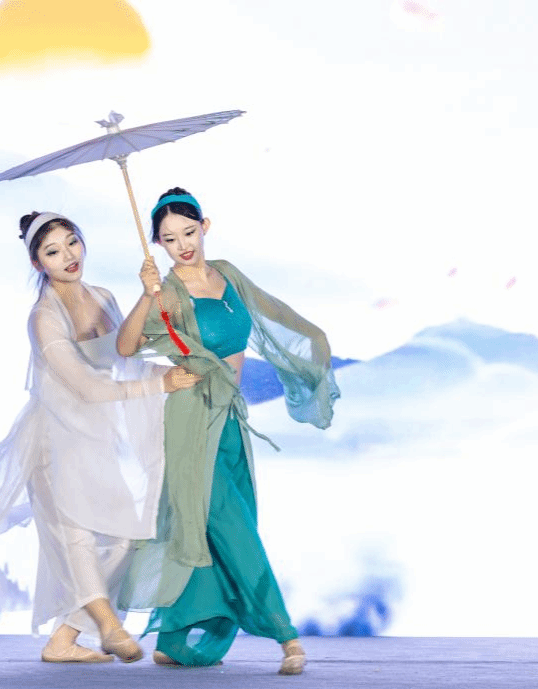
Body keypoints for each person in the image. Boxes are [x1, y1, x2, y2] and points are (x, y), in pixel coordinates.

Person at [0, 211, 201, 663]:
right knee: (75, 535)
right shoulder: (43, 318)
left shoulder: (103, 297)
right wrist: (159, 386)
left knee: (125, 538)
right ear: (38, 263)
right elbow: (86, 387)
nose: (68, 256)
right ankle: (109, 626)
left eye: (72, 242)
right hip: (54, 438)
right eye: (53, 252)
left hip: (99, 436)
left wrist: (168, 362)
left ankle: (64, 640)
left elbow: (125, 362)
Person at [116, 188, 340, 675]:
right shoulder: (167, 292)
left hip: (232, 417)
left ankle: (178, 639)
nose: (182, 245)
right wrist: (146, 294)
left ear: (205, 227)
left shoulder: (228, 274)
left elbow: (271, 314)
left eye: (189, 232)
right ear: (158, 243)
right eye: (169, 239)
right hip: (192, 420)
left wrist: (313, 347)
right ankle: (287, 637)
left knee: (222, 525)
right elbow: (127, 346)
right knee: (228, 524)